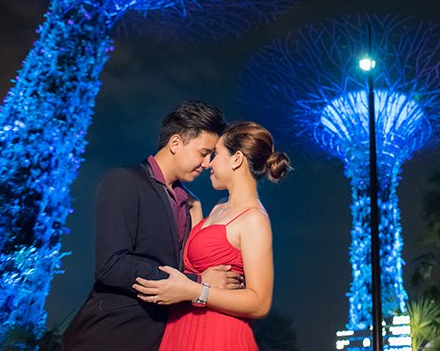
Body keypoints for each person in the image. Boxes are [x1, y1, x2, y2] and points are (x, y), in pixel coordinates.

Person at [63, 100, 241, 351]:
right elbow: (112, 265)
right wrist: (198, 282)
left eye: (211, 155)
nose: (208, 163)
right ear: (176, 143)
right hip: (109, 336)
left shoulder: (190, 204)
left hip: (162, 339)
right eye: (203, 153)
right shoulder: (124, 181)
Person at [133, 121, 290, 351]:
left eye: (216, 154)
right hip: (182, 331)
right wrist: (194, 207)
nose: (208, 164)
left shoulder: (254, 219)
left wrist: (196, 290)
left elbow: (260, 303)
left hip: (219, 337)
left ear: (236, 159)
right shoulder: (218, 208)